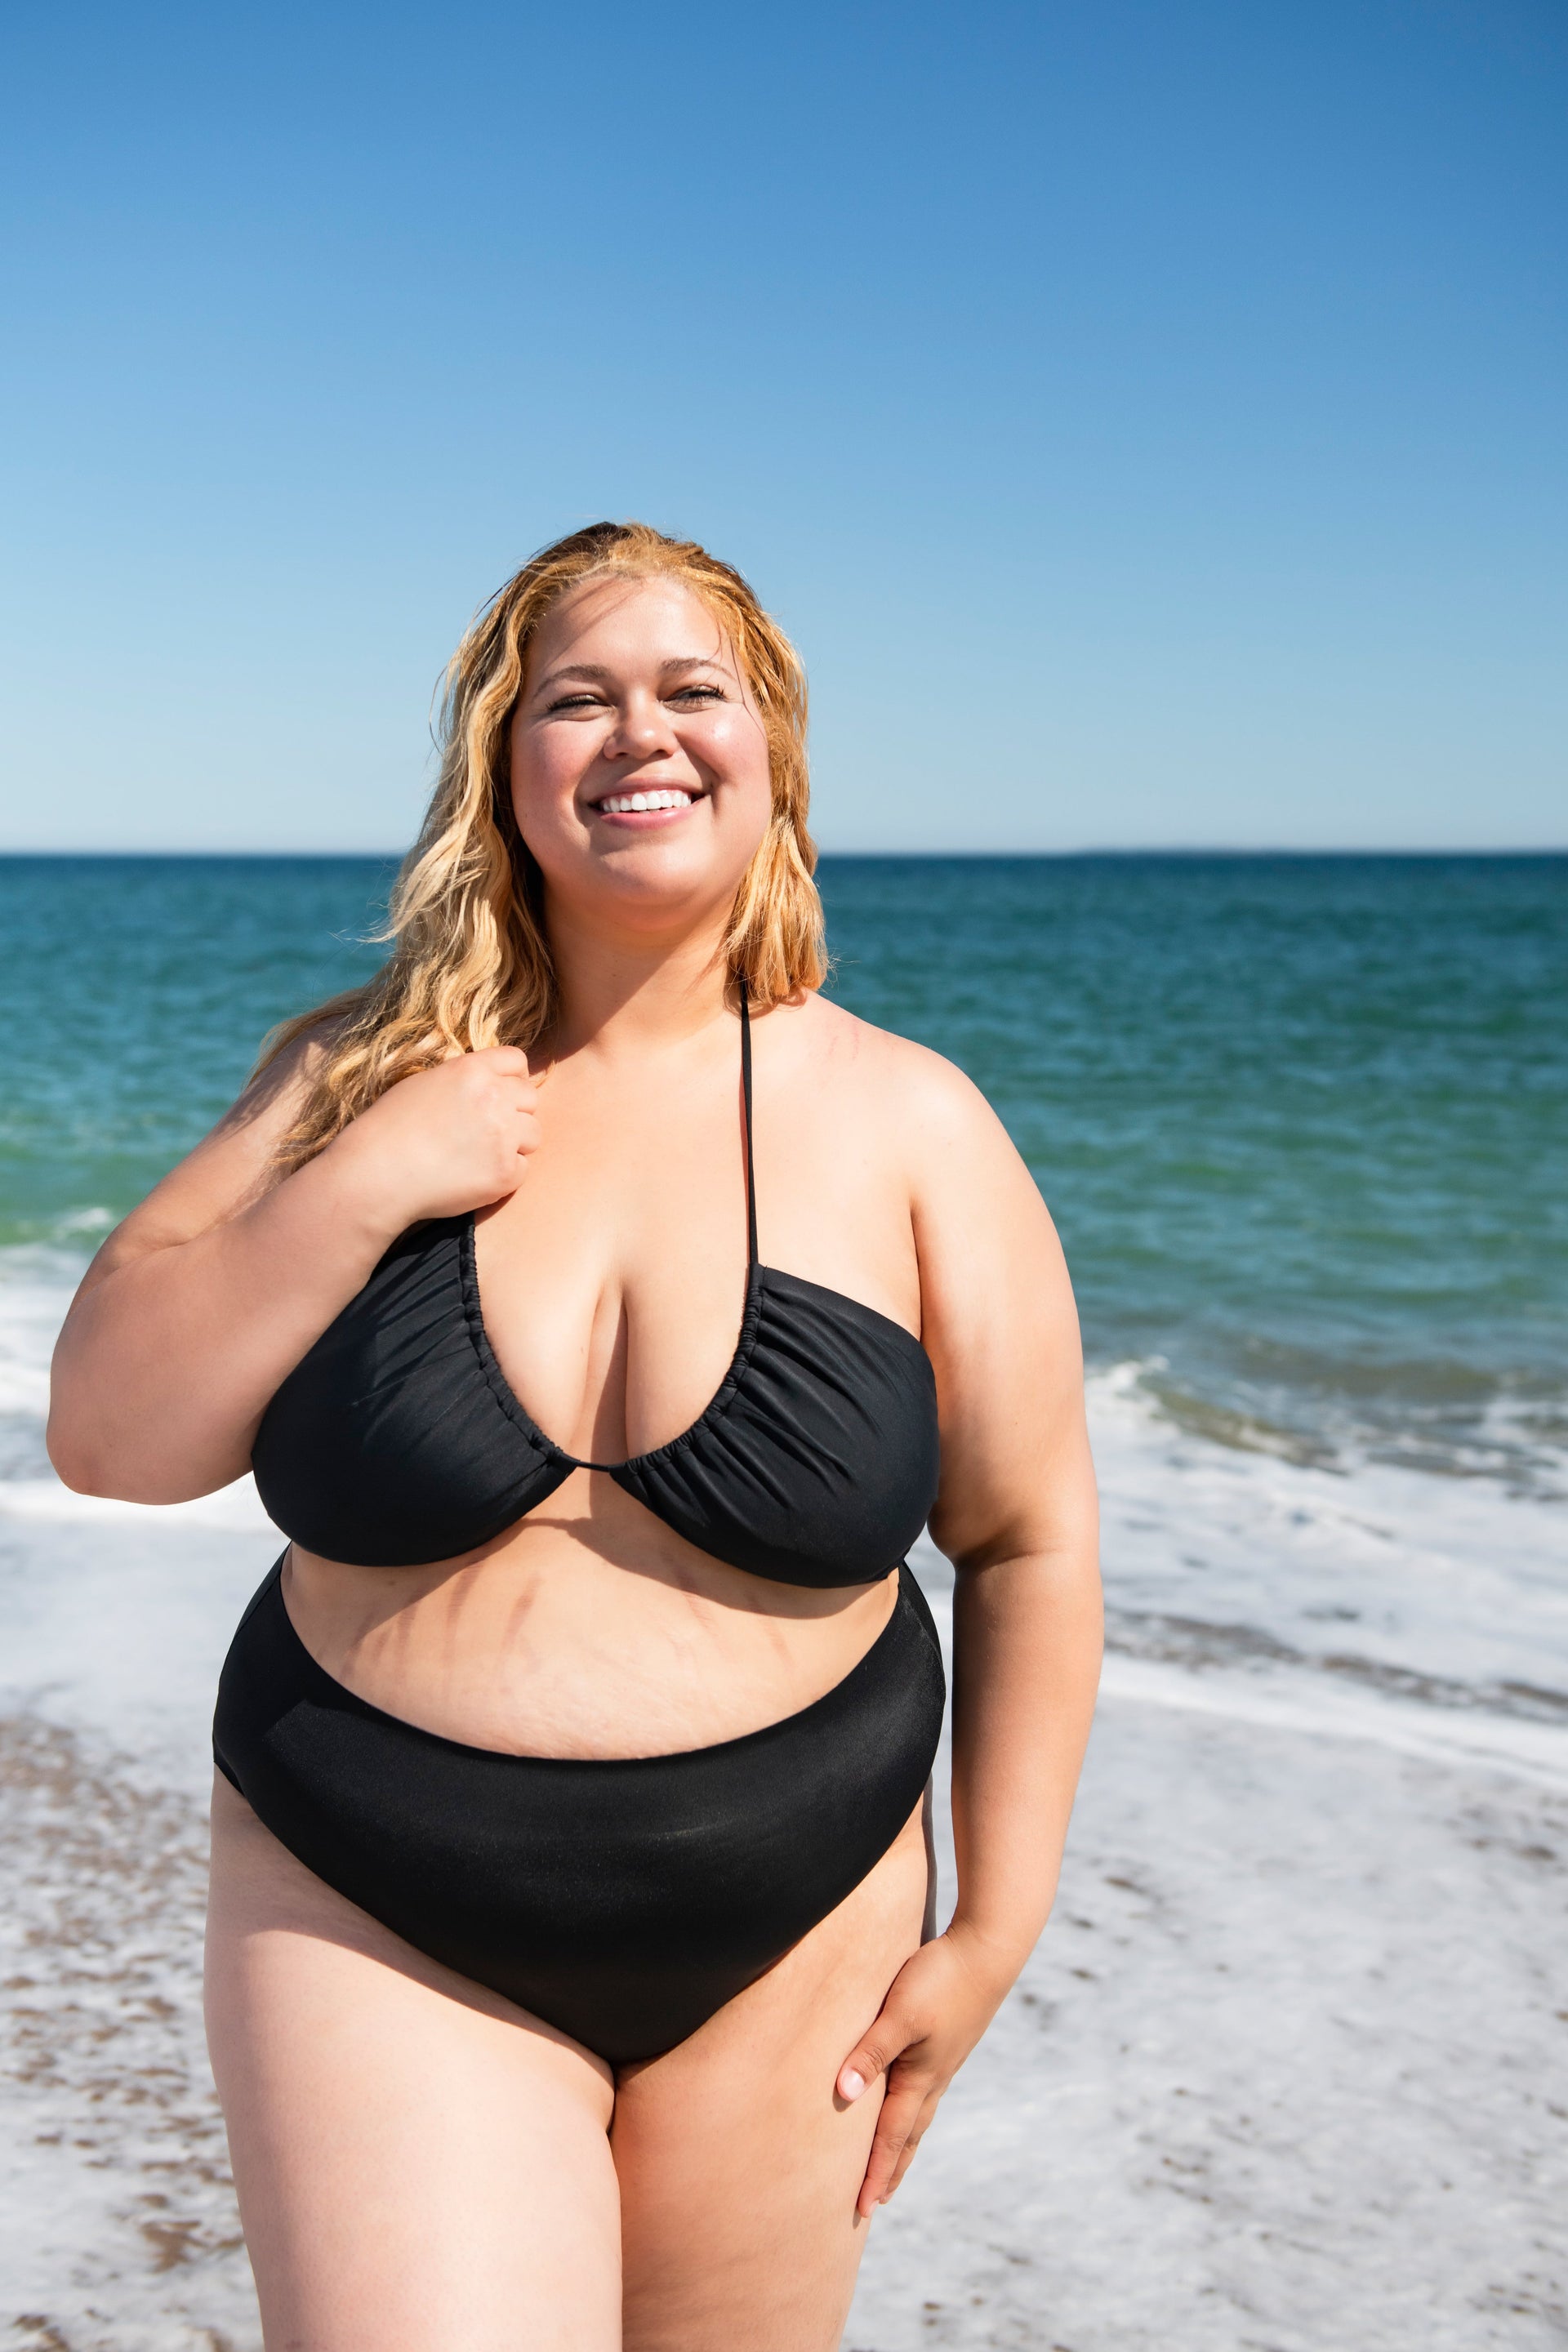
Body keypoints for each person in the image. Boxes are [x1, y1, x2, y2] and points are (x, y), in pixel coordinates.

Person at [47, 522, 1102, 2352]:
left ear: (768, 751)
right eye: (578, 700)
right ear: (503, 763)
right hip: (374, 1891)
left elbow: (1027, 1541)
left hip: (802, 1917)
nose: (642, 736)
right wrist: (363, 1180)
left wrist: (995, 1927)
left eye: (695, 692)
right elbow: (113, 1437)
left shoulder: (914, 1125)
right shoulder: (343, 1077)